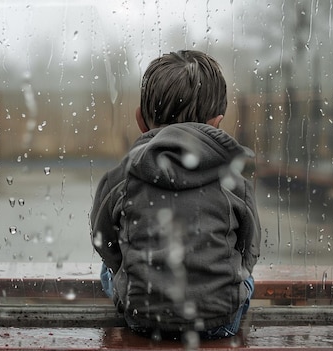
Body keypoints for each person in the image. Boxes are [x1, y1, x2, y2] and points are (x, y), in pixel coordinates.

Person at [90, 50, 260, 340]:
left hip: (143, 318)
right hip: (220, 320)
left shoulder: (121, 178)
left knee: (108, 272)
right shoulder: (233, 182)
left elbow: (104, 241)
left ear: (140, 120)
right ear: (217, 122)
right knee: (245, 277)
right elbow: (249, 248)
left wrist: (130, 269)